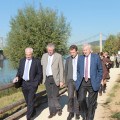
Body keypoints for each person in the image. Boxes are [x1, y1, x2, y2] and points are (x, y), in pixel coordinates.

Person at [13, 48, 43, 120]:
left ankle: (28, 117)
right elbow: (19, 71)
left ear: (32, 54)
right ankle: (33, 111)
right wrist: (17, 76)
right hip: (24, 83)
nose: (28, 56)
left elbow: (40, 73)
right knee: (28, 100)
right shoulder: (22, 61)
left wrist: (36, 82)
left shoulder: (37, 61)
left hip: (33, 84)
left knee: (30, 100)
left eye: (29, 54)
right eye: (26, 54)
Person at [76, 44, 103, 120]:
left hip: (93, 82)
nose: (84, 52)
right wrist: (78, 79)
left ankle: (89, 118)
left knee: (92, 103)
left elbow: (100, 70)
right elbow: (78, 70)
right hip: (83, 82)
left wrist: (98, 81)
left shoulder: (96, 57)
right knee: (81, 99)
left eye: (86, 50)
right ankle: (85, 113)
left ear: (90, 50)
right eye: (83, 50)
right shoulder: (80, 58)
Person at [41, 43, 64, 118]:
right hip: (47, 79)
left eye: (51, 50)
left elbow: (61, 69)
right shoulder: (44, 56)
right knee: (49, 96)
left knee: (55, 95)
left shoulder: (58, 56)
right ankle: (52, 112)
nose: (49, 51)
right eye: (48, 50)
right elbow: (41, 67)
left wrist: (61, 80)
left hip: (55, 79)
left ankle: (58, 108)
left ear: (54, 50)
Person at [65, 45, 80, 120]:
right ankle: (71, 112)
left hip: (78, 81)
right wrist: (66, 83)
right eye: (71, 52)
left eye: (73, 52)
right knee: (70, 97)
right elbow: (66, 71)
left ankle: (77, 113)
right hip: (70, 81)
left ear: (77, 51)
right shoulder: (68, 59)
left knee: (77, 97)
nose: (72, 54)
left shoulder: (81, 59)